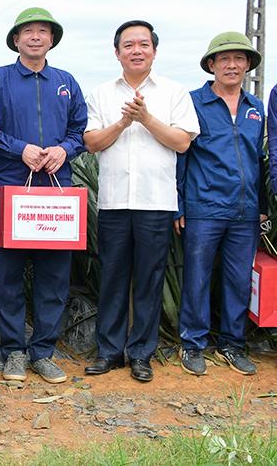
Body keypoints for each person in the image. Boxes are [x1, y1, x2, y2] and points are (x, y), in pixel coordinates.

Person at [82, 21, 198, 382]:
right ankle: (109, 351)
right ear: (117, 52)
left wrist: (145, 118)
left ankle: (141, 354)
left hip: (156, 202)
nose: (136, 50)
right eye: (128, 45)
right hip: (114, 202)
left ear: (154, 51)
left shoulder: (174, 92)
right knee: (112, 277)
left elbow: (182, 142)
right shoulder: (101, 93)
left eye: (143, 44)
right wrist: (122, 122)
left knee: (149, 279)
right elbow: (92, 143)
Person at [0, 7, 87, 384]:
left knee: (54, 276)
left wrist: (64, 150)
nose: (36, 37)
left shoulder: (66, 82)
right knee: (8, 274)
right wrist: (19, 149)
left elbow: (80, 131)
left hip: (57, 194)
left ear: (52, 39)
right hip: (10, 189)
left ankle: (43, 352)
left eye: (43, 31)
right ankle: (12, 351)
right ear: (16, 40)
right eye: (28, 32)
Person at [176, 32, 266, 377]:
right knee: (197, 278)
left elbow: (258, 159)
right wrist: (180, 206)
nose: (232, 65)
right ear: (211, 65)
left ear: (247, 65)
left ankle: (232, 344)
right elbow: (181, 157)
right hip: (204, 207)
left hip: (245, 211)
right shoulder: (194, 102)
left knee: (239, 280)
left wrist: (261, 205)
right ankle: (193, 344)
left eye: (239, 58)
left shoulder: (255, 107)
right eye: (224, 59)